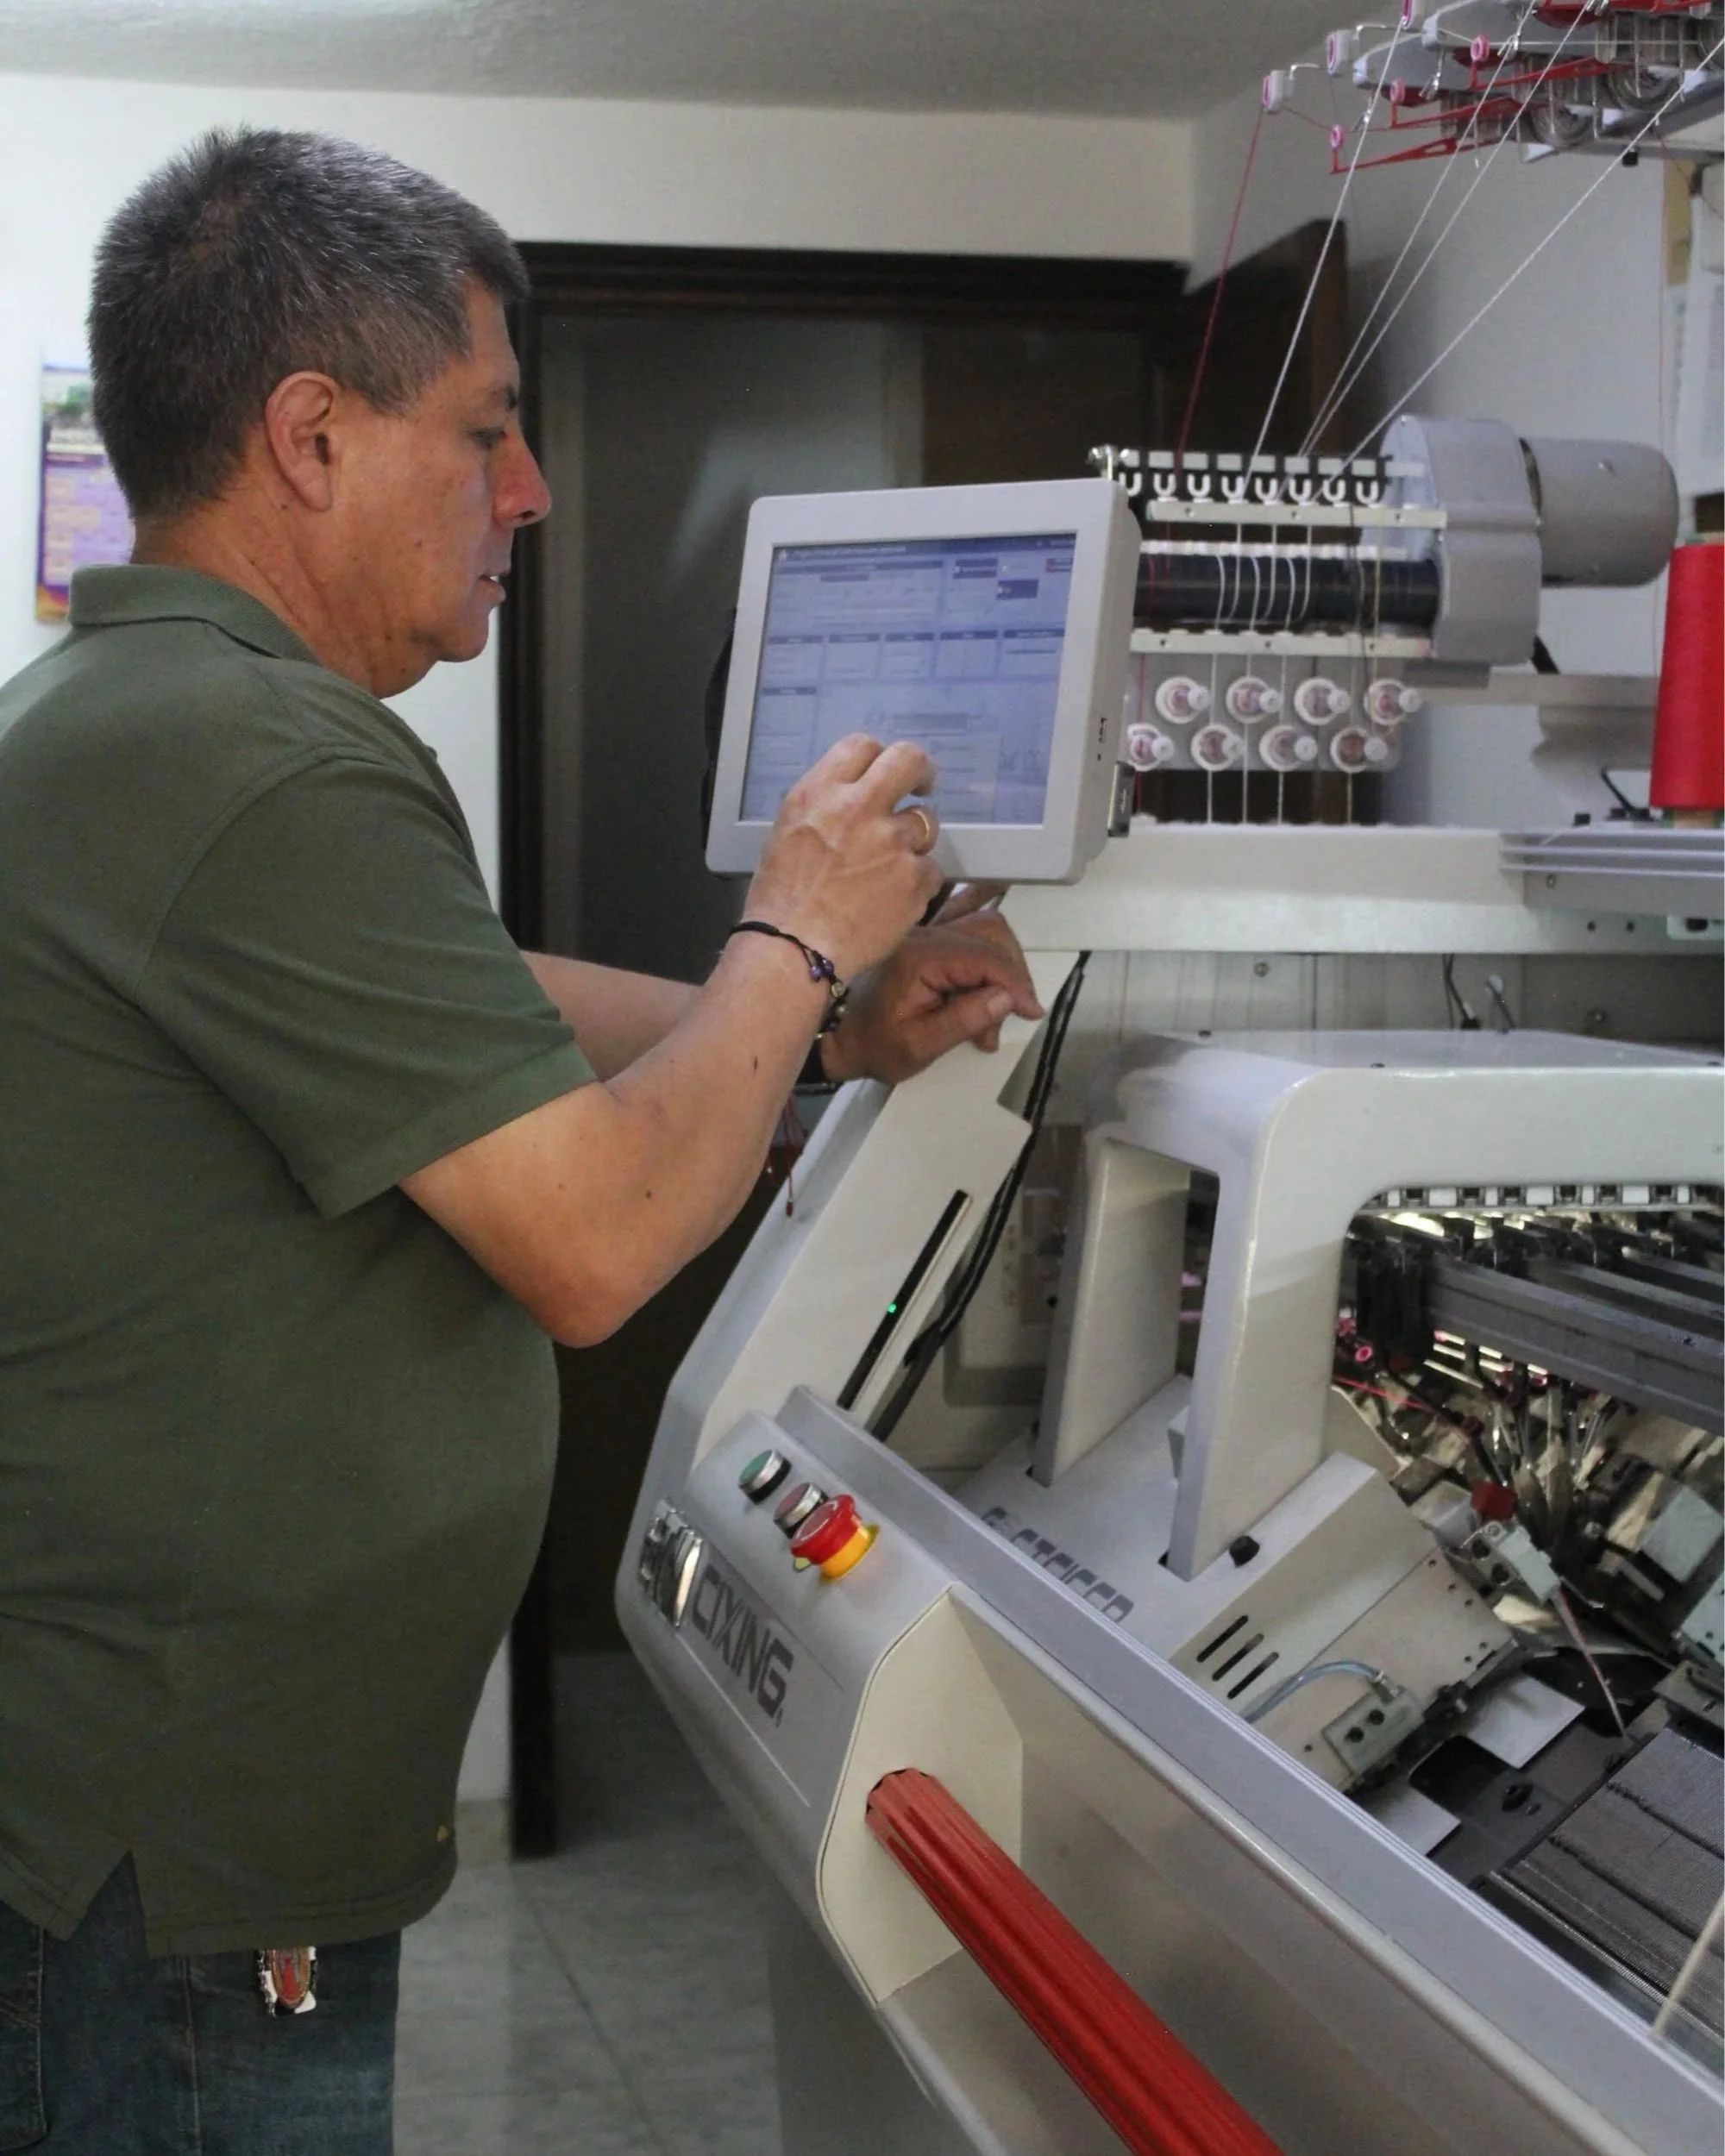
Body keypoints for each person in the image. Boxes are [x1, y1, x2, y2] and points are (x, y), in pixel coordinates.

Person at [0, 128, 1041, 2154]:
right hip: (170, 1837)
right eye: (486, 428)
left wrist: (821, 1028)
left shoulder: (147, 718)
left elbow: (472, 1009)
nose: (531, 492)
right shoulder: (262, 759)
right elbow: (592, 1240)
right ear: (312, 435)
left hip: (158, 1797)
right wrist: (797, 926)